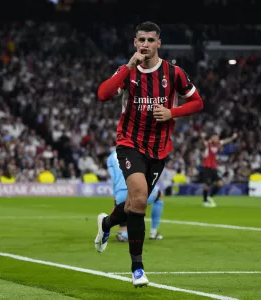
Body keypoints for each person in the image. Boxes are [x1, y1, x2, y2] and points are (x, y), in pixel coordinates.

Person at [96, 21, 204, 287]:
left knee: (136, 204)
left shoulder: (173, 72)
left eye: (150, 40)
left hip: (159, 147)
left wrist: (172, 113)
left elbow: (198, 102)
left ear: (158, 43)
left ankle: (107, 223)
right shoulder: (127, 71)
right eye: (140, 40)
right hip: (129, 142)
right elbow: (103, 95)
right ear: (135, 43)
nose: (145, 44)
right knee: (141, 197)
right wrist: (128, 67)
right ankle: (137, 268)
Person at [107, 150, 164, 242]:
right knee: (159, 195)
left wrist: (115, 198)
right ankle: (153, 232)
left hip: (120, 193)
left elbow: (113, 178)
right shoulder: (137, 151)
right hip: (137, 190)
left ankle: (124, 233)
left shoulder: (110, 158)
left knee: (124, 207)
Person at [200, 132, 237, 207]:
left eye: (217, 138)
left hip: (213, 167)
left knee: (220, 184)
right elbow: (203, 143)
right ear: (211, 138)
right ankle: (204, 202)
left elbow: (226, 141)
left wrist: (232, 138)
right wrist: (203, 137)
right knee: (207, 185)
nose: (216, 139)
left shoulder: (218, 143)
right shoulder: (208, 144)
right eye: (215, 137)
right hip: (207, 167)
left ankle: (210, 197)